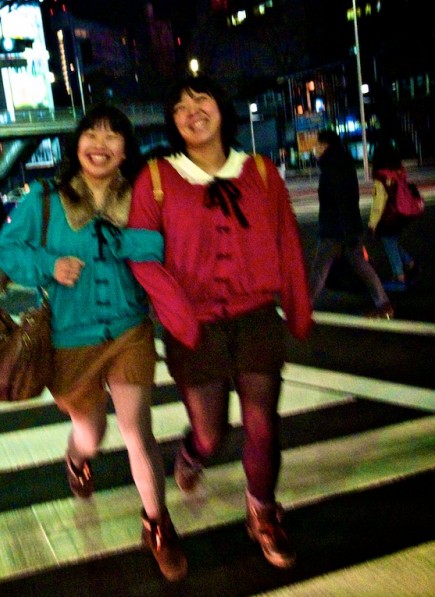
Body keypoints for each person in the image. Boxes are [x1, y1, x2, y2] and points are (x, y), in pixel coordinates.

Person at [0, 104, 188, 582]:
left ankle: (157, 526)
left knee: (137, 431)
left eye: (112, 136)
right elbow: (6, 248)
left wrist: (125, 244)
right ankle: (77, 458)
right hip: (68, 339)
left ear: (125, 150)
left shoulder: (141, 197)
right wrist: (48, 266)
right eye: (91, 134)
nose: (100, 144)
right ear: (77, 144)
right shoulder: (45, 198)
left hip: (128, 330)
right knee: (91, 432)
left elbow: (162, 244)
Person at [127, 75, 313, 570]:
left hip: (256, 317)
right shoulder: (157, 178)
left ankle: (263, 512)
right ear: (173, 122)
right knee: (212, 432)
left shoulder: (261, 173)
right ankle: (193, 452)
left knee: (263, 425)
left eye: (201, 99)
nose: (192, 110)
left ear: (221, 109)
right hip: (195, 325)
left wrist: (298, 309)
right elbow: (141, 256)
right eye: (180, 105)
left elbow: (288, 243)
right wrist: (179, 316)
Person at [308, 129, 394, 318]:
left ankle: (304, 307)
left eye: (317, 145)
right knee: (360, 265)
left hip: (335, 229)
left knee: (320, 268)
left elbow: (342, 201)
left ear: (325, 146)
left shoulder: (332, 167)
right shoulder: (341, 163)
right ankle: (384, 304)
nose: (314, 149)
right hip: (346, 227)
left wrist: (346, 230)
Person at [368, 142, 419, 292]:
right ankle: (409, 263)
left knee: (389, 244)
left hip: (388, 218)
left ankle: (399, 276)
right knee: (392, 242)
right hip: (401, 215)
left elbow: (378, 204)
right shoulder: (398, 173)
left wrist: (372, 224)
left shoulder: (381, 177)